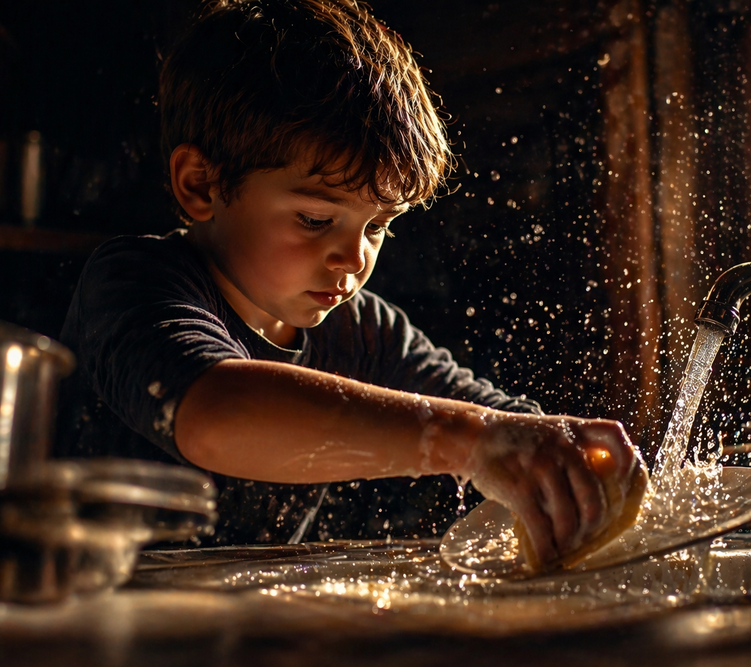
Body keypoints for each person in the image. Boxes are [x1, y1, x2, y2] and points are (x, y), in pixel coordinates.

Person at [56, 0, 643, 568]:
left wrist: (563, 452)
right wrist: (471, 439)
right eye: (315, 220)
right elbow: (215, 414)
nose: (353, 257)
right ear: (201, 185)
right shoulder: (132, 284)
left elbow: (488, 414)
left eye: (380, 226)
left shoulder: (363, 329)